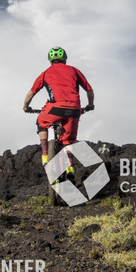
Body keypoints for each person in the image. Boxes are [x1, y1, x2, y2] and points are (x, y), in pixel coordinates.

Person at [23, 47, 94, 179]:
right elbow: (89, 90)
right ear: (65, 60)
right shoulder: (75, 70)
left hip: (55, 109)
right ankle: (70, 168)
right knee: (67, 140)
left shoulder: (45, 73)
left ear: (50, 61)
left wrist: (26, 107)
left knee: (41, 122)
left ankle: (45, 154)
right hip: (74, 109)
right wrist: (90, 105)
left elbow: (30, 94)